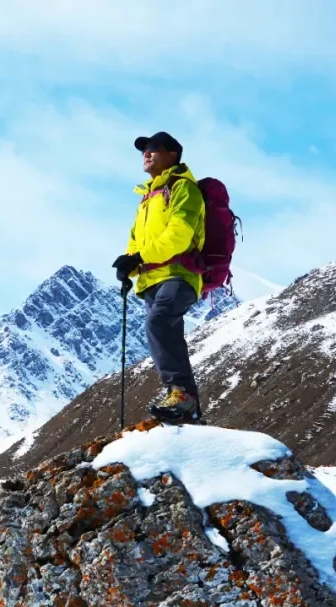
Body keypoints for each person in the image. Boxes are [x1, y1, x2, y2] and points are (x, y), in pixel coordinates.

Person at [112, 131, 206, 422]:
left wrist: (139, 257)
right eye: (144, 149)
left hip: (179, 274)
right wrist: (129, 265)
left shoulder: (183, 189)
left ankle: (181, 394)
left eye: (154, 148)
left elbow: (179, 235)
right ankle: (186, 406)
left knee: (159, 322)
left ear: (173, 155)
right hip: (151, 280)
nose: (147, 153)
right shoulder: (147, 198)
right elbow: (135, 242)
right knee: (163, 332)